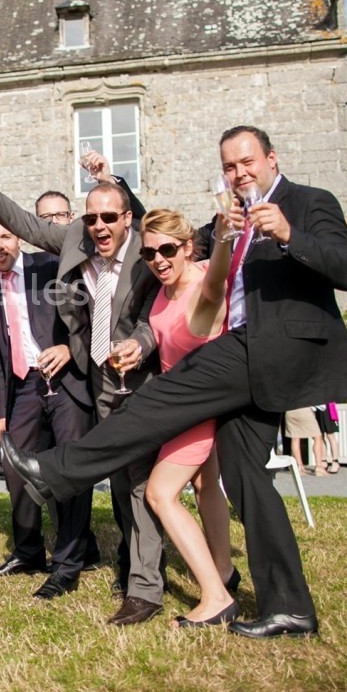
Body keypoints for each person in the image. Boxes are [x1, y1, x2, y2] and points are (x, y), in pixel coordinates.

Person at [0, 125, 347, 639]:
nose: (240, 174)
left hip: (269, 348)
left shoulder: (307, 202)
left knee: (161, 395)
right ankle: (287, 607)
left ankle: (55, 470)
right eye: (230, 166)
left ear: (272, 159)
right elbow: (162, 237)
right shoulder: (225, 222)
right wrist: (217, 233)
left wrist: (287, 234)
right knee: (247, 482)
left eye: (248, 162)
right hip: (246, 366)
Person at [0, 141, 166, 626]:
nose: (99, 226)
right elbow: (23, 221)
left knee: (135, 479)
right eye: (92, 217)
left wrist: (113, 179)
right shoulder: (76, 244)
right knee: (115, 476)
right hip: (96, 379)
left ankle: (134, 572)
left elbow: (153, 241)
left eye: (110, 216)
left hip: (123, 378)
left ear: (126, 217)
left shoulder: (142, 249)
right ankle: (120, 564)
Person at [0, 214, 95, 600]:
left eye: (5, 236)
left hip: (65, 377)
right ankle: (28, 552)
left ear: (19, 237)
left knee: (69, 472)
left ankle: (67, 564)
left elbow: (90, 316)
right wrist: (1, 411)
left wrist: (68, 349)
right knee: (16, 468)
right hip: (23, 387)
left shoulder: (49, 266)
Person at [134, 207, 240, 628]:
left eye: (167, 249)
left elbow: (215, 285)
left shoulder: (199, 282)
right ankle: (225, 571)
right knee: (204, 483)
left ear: (189, 248)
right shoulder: (165, 286)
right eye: (149, 253)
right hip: (181, 399)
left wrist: (226, 240)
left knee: (160, 494)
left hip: (200, 402)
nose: (158, 259)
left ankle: (215, 597)